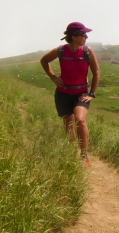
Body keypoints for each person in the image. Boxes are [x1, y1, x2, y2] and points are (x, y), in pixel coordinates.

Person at [40, 22, 100, 166]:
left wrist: (91, 93)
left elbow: (96, 72)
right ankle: (71, 151)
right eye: (83, 34)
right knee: (69, 125)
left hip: (81, 94)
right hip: (63, 93)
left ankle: (84, 154)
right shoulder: (60, 51)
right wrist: (53, 77)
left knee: (80, 120)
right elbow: (44, 60)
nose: (86, 37)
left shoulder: (87, 51)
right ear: (74, 37)